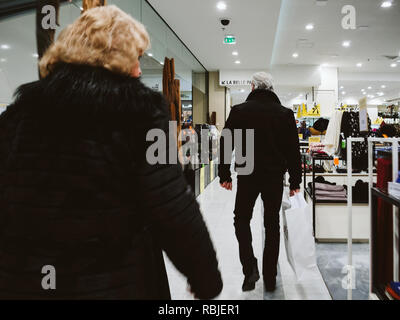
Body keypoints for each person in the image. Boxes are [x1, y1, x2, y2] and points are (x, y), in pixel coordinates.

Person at [0, 5, 222, 299]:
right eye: (136, 57)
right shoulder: (138, 110)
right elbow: (171, 206)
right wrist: (203, 274)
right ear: (116, 55)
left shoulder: (20, 113)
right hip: (111, 282)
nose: (140, 69)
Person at [218, 72, 301, 292]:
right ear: (271, 88)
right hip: (274, 176)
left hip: (247, 175)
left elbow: (226, 143)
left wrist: (224, 174)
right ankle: (270, 277)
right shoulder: (284, 114)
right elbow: (293, 150)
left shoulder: (239, 111)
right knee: (271, 224)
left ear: (253, 87)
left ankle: (250, 267)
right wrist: (295, 180)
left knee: (241, 219)